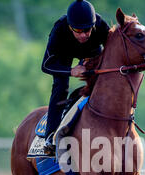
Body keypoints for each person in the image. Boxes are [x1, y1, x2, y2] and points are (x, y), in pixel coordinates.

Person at [41, 0, 110, 155]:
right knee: (60, 87)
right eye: (78, 30)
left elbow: (113, 50)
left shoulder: (100, 25)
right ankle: (50, 136)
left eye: (87, 30)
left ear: (93, 25)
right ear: (69, 26)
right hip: (63, 54)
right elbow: (45, 65)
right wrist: (71, 70)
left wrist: (92, 63)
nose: (83, 35)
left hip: (91, 53)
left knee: (103, 82)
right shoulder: (59, 29)